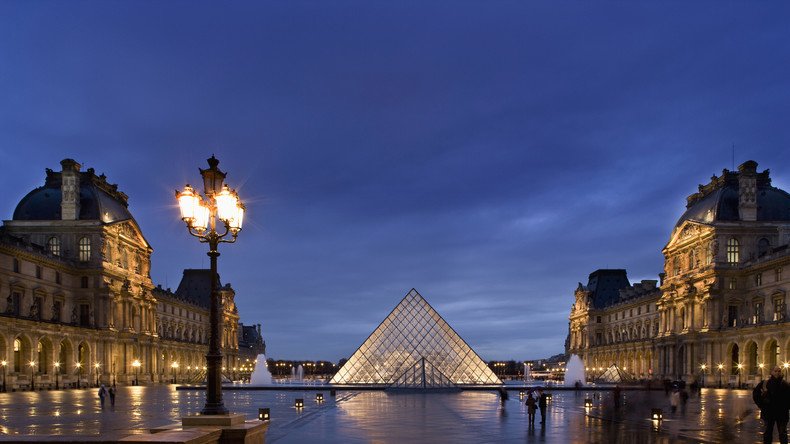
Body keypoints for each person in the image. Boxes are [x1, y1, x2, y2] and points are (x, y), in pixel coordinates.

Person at [753, 366, 790, 444]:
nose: (777, 373)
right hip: (768, 413)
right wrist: (762, 406)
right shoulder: (765, 383)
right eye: (775, 371)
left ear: (781, 372)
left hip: (782, 413)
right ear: (772, 372)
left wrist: (787, 407)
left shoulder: (786, 384)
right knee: (767, 433)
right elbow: (756, 394)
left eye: (779, 371)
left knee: (783, 434)